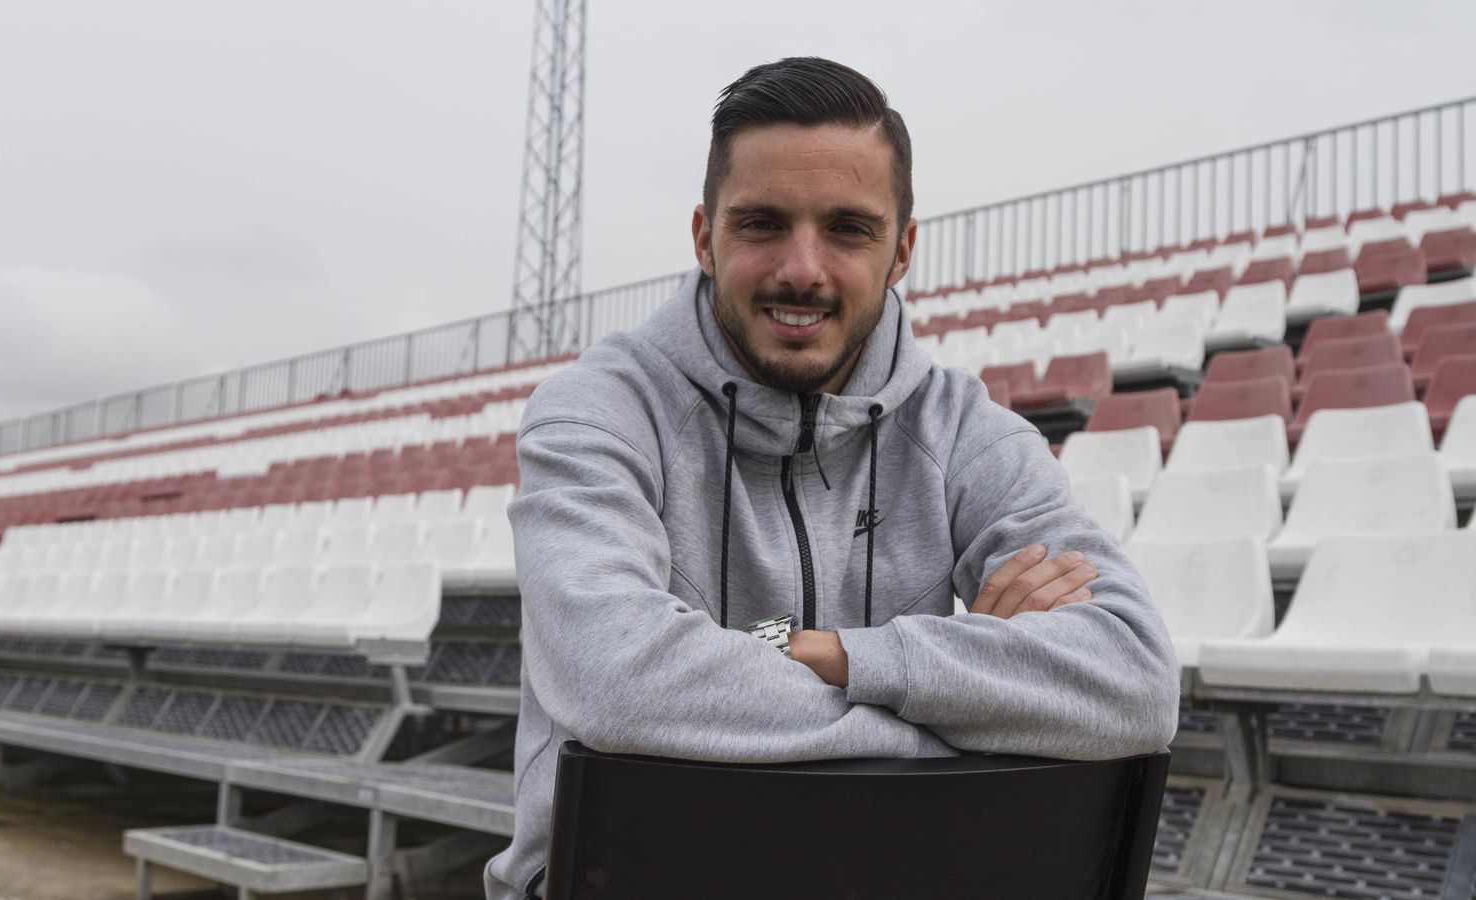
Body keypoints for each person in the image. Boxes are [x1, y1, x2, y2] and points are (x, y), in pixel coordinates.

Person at [484, 57, 1179, 900]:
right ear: (705, 236)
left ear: (902, 251)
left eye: (848, 228)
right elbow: (617, 680)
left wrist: (836, 653)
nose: (803, 269)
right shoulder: (596, 410)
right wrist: (980, 721)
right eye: (763, 224)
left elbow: (1136, 683)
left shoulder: (964, 430)